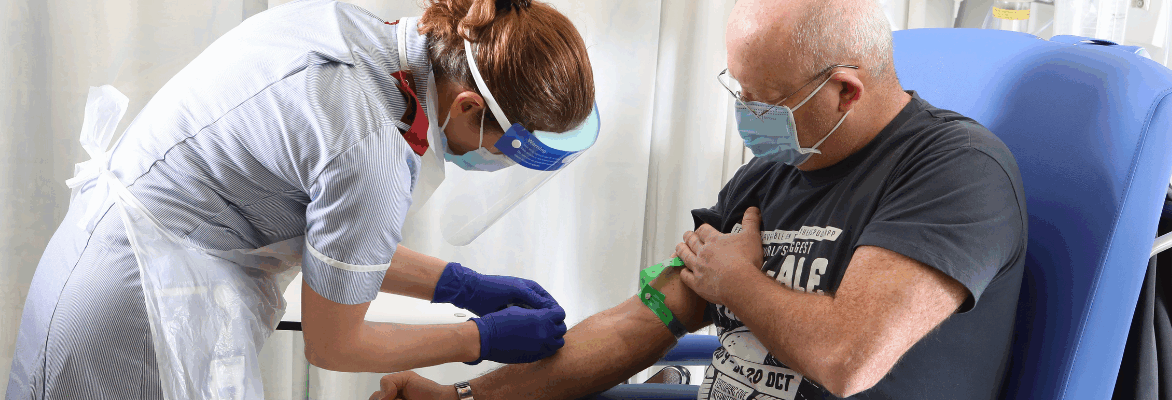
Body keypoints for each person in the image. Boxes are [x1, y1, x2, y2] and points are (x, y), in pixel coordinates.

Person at [372, 0, 1028, 398]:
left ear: (846, 93)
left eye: (760, 101)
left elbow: (847, 359)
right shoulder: (771, 175)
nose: (745, 116)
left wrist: (736, 281)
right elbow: (646, 320)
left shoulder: (953, 172)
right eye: (736, 91)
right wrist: (465, 397)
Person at [6, 0, 601, 398]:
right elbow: (334, 343)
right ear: (469, 106)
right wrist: (480, 340)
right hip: (135, 312)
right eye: (506, 151)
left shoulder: (355, 34)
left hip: (101, 258)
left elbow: (332, 239)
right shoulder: (373, 146)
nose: (497, 164)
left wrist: (463, 286)